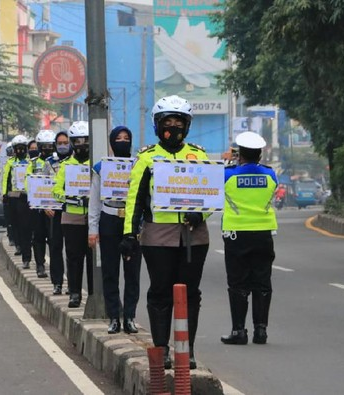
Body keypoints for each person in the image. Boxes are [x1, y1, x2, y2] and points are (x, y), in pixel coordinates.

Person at [121, 95, 210, 370]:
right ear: (158, 125)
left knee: (190, 292)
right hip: (158, 235)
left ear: (187, 125)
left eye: (179, 121)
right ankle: (162, 350)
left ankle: (188, 350)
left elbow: (211, 194)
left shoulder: (199, 155)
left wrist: (201, 213)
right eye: (167, 122)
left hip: (194, 235)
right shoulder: (147, 158)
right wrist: (128, 234)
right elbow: (134, 198)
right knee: (161, 291)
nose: (174, 127)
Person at [220, 131, 278, 346]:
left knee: (238, 283)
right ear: (260, 155)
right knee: (262, 282)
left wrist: (230, 162)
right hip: (263, 233)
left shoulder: (228, 174)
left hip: (236, 234)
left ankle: (239, 331)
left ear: (240, 154)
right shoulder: (271, 175)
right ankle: (260, 331)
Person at [88, 126, 141, 334]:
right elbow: (94, 201)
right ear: (111, 142)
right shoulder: (101, 168)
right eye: (118, 138)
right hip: (109, 220)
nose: (122, 141)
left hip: (131, 221)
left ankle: (129, 317)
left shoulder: (139, 165)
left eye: (126, 138)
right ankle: (114, 318)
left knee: (132, 273)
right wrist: (93, 229)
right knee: (110, 272)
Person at [52, 121, 93, 308]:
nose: (81, 145)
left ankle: (94, 293)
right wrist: (70, 197)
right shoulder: (66, 166)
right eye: (78, 141)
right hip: (71, 218)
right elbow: (56, 191)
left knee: (94, 259)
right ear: (72, 143)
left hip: (93, 219)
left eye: (86, 141)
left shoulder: (96, 165)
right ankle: (74, 293)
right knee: (74, 258)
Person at [43, 131, 71, 295]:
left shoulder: (75, 162)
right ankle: (57, 283)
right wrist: (46, 206)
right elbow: (42, 185)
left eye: (65, 142)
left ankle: (71, 284)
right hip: (54, 211)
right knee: (55, 247)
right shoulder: (49, 163)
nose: (62, 146)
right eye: (59, 143)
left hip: (71, 210)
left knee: (71, 249)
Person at [26, 129, 56, 278]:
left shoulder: (58, 163)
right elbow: (28, 183)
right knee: (38, 237)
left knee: (54, 239)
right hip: (37, 208)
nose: (47, 149)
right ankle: (40, 265)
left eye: (50, 146)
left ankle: (56, 268)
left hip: (55, 207)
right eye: (43, 146)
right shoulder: (33, 163)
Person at [2, 135, 32, 268]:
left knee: (27, 228)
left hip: (27, 198)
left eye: (22, 148)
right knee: (16, 225)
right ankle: (20, 247)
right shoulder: (10, 162)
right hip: (14, 197)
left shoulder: (31, 161)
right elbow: (5, 179)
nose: (20, 151)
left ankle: (28, 256)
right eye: (17, 148)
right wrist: (4, 194)